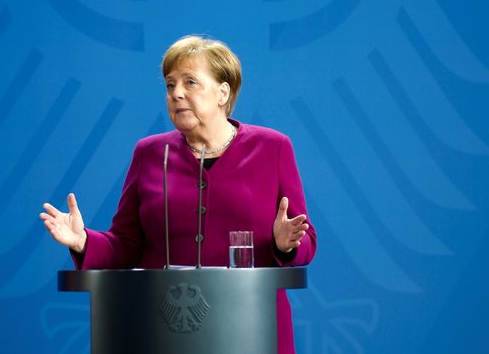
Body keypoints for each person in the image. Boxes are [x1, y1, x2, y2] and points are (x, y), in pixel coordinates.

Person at [40, 35, 317, 354]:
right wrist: (84, 241)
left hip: (253, 329)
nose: (177, 93)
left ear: (222, 92)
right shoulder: (149, 152)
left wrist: (286, 244)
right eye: (170, 85)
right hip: (163, 331)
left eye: (190, 82)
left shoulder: (273, 148)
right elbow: (127, 245)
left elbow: (305, 242)